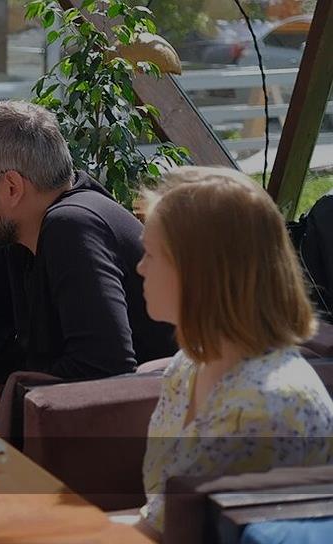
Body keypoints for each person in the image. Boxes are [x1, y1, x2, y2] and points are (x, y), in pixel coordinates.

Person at [0, 100, 176, 420]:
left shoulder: (73, 225)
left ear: (11, 187)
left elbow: (105, 369)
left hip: (142, 429)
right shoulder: (16, 226)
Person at [136, 166, 333, 534]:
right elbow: (159, 517)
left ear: (199, 273)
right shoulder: (189, 364)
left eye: (150, 254)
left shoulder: (263, 407)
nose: (139, 267)